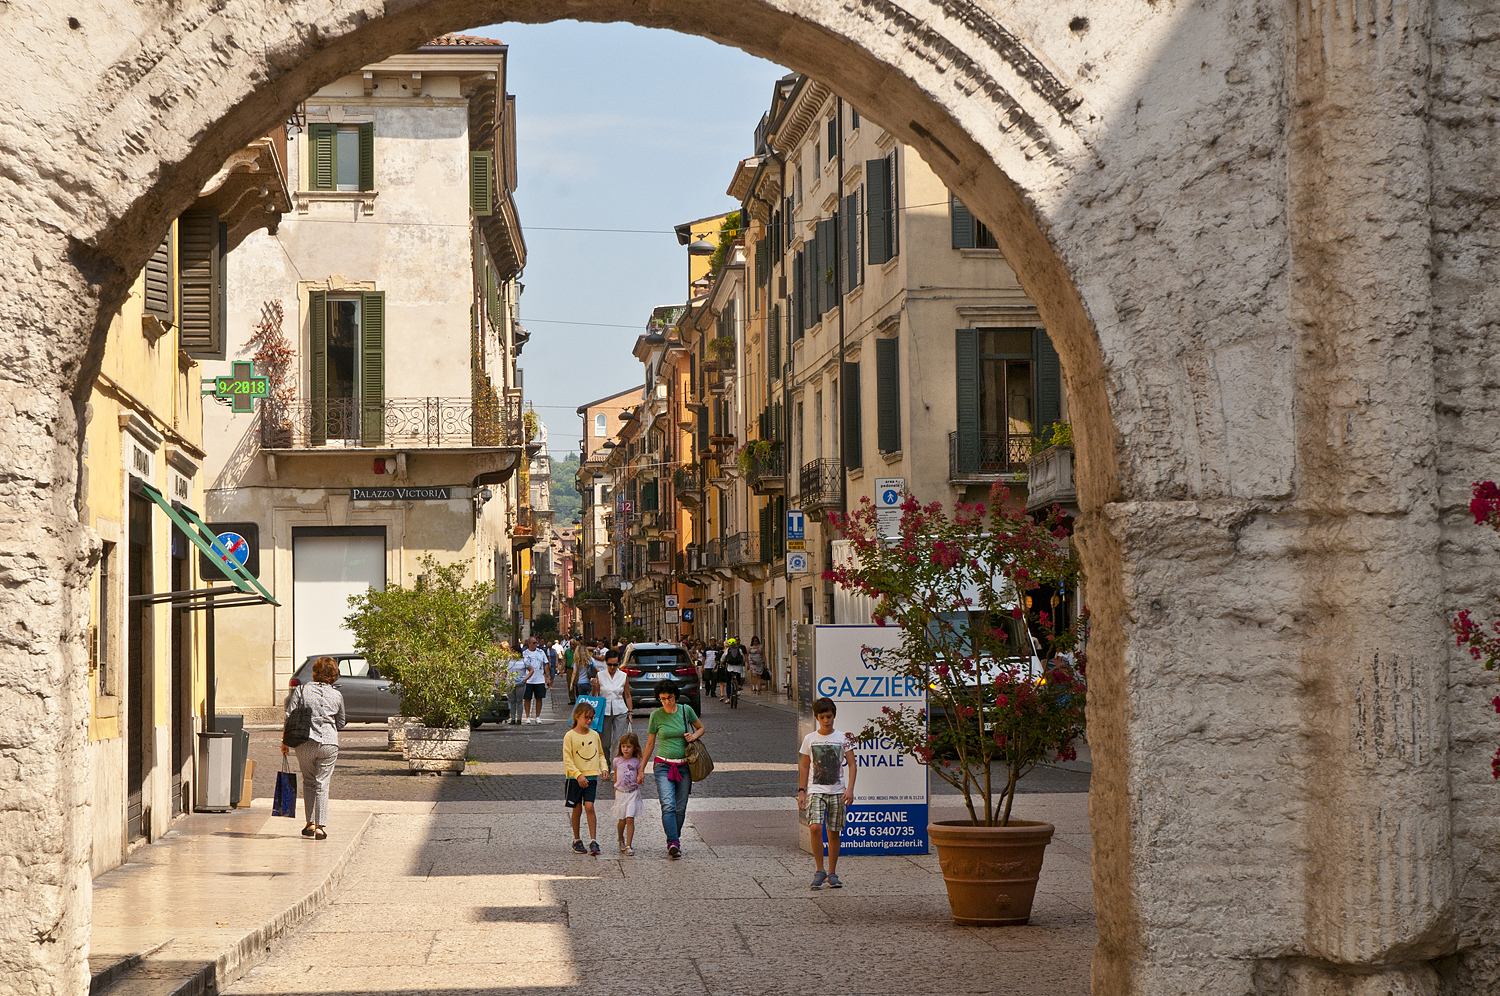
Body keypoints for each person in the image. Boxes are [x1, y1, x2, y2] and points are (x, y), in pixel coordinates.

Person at [281, 656, 346, 841]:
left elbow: (289, 715)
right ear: (334, 674)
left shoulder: (302, 690)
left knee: (308, 781)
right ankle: (320, 827)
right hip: (329, 744)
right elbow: (341, 722)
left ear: (315, 673)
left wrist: (284, 742)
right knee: (322, 783)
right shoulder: (337, 695)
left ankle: (309, 823)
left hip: (305, 742)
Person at [798, 696, 858, 889]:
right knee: (815, 827)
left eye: (829, 716)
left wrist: (850, 789)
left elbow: (852, 764)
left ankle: (832, 873)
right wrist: (801, 791)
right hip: (816, 790)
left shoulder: (843, 739)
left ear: (834, 716)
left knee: (833, 832)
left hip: (837, 791)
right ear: (817, 718)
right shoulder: (810, 739)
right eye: (823, 717)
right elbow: (805, 767)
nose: (826, 720)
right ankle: (819, 869)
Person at [640, 680, 704, 859]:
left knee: (680, 808)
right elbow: (650, 743)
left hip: (685, 766)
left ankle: (674, 838)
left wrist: (693, 736)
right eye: (662, 699)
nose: (666, 702)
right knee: (668, 804)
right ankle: (673, 842)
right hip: (663, 766)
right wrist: (641, 768)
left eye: (669, 697)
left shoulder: (686, 710)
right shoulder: (656, 716)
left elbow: (701, 728)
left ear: (675, 695)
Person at [563, 701, 605, 855]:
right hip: (574, 779)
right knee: (577, 809)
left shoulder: (594, 735)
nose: (589, 721)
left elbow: (600, 753)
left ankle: (593, 840)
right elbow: (568, 759)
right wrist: (577, 775)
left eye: (591, 718)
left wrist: (604, 768)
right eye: (586, 717)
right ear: (577, 717)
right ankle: (576, 839)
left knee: (589, 807)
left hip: (591, 776)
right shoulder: (570, 736)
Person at [595, 646, 633, 767]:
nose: (612, 667)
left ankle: (616, 766)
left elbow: (627, 695)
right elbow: (595, 695)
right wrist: (593, 686)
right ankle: (606, 764)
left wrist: (630, 712)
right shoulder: (600, 675)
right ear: (606, 663)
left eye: (615, 665)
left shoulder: (623, 676)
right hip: (604, 711)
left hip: (620, 709)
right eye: (610, 664)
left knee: (619, 740)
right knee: (605, 743)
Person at [611, 730, 644, 855]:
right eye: (623, 746)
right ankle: (620, 838)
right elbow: (615, 776)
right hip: (620, 793)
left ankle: (629, 845)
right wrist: (615, 790)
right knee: (622, 820)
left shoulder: (637, 761)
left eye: (628, 747)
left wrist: (640, 778)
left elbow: (640, 774)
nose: (625, 749)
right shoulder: (617, 760)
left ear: (634, 747)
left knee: (630, 818)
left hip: (633, 793)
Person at [522, 636, 549, 724]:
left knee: (539, 698)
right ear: (529, 644)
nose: (535, 645)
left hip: (539, 679)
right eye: (533, 643)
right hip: (529, 679)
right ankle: (528, 716)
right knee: (527, 698)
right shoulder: (525, 653)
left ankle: (538, 716)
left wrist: (547, 676)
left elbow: (546, 664)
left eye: (536, 643)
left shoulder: (541, 652)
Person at [506, 646, 527, 725]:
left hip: (520, 683)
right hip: (510, 683)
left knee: (519, 701)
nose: (513, 653)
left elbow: (531, 669)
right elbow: (505, 670)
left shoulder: (523, 661)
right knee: (512, 701)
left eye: (514, 651)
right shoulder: (509, 661)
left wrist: (525, 679)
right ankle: (513, 718)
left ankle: (519, 719)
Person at [721, 638, 745, 703]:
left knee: (728, 683)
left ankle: (728, 698)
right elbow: (743, 658)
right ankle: (739, 686)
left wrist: (722, 662)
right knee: (738, 676)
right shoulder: (739, 650)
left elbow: (723, 658)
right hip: (738, 668)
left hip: (730, 668)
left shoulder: (728, 650)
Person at [563, 639, 577, 704]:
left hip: (576, 670)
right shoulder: (567, 651)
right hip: (569, 669)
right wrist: (562, 669)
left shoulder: (577, 651)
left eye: (573, 644)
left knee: (577, 684)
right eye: (570, 644)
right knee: (569, 684)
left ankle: (578, 697)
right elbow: (565, 660)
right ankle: (572, 699)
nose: (572, 646)